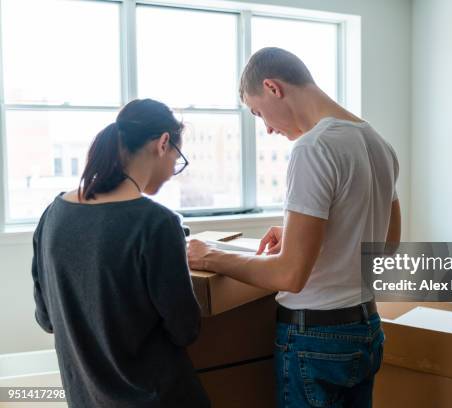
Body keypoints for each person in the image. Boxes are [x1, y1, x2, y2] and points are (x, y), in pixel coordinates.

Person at [188, 47, 401, 407]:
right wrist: (304, 234)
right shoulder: (379, 144)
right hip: (365, 329)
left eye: (258, 113)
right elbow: (387, 244)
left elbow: (290, 275)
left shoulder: (314, 148)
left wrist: (212, 257)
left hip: (316, 339)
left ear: (273, 87)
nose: (268, 128)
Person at [31, 99, 210, 408]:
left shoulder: (53, 215)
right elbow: (185, 330)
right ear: (163, 144)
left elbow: (47, 319)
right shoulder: (157, 223)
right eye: (176, 159)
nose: (172, 172)